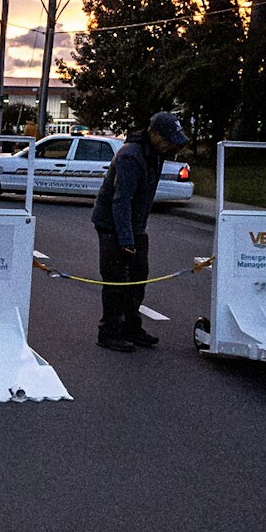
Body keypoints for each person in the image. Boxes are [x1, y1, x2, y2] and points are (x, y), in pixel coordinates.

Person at [90, 111, 188, 352]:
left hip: (134, 226)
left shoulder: (155, 155)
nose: (170, 145)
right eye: (167, 139)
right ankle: (109, 332)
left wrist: (137, 231)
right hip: (113, 225)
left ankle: (131, 327)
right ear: (153, 134)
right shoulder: (130, 156)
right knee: (116, 281)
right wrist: (126, 239)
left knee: (138, 277)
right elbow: (121, 201)